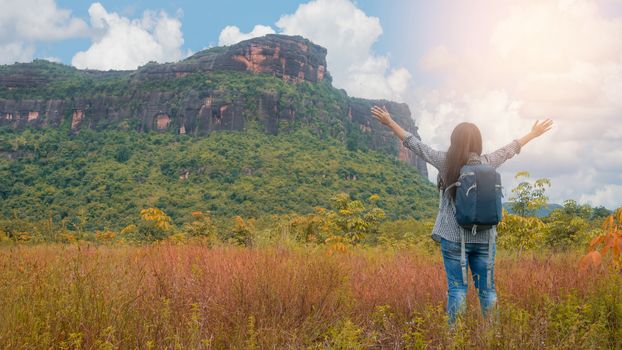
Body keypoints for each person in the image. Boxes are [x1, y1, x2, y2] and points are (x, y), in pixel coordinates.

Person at [370, 105, 553, 324]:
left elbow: (414, 144)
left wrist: (389, 121)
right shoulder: (488, 162)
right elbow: (509, 149)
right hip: (485, 238)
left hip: (453, 237)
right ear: (478, 142)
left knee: (457, 289)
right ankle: (492, 336)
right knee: (487, 291)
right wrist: (533, 134)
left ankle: (456, 339)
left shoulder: (445, 162)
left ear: (454, 140)